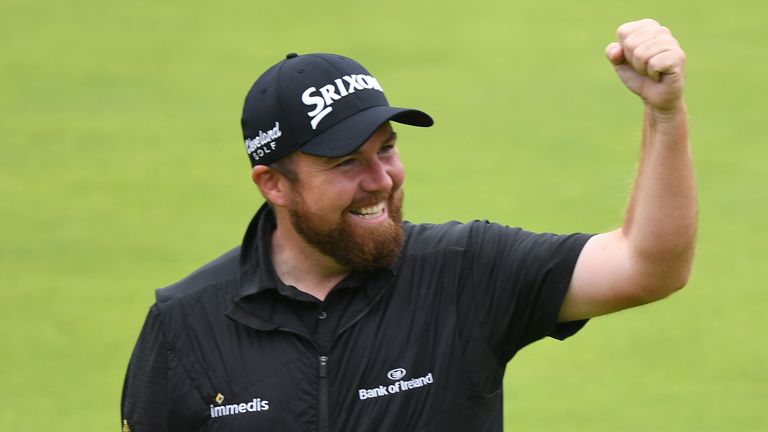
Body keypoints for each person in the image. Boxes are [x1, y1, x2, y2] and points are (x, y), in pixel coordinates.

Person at [121, 18, 696, 432]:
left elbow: (648, 266)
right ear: (274, 184)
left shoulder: (465, 272)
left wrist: (663, 115)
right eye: (345, 162)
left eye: (387, 149)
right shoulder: (185, 325)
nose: (381, 179)